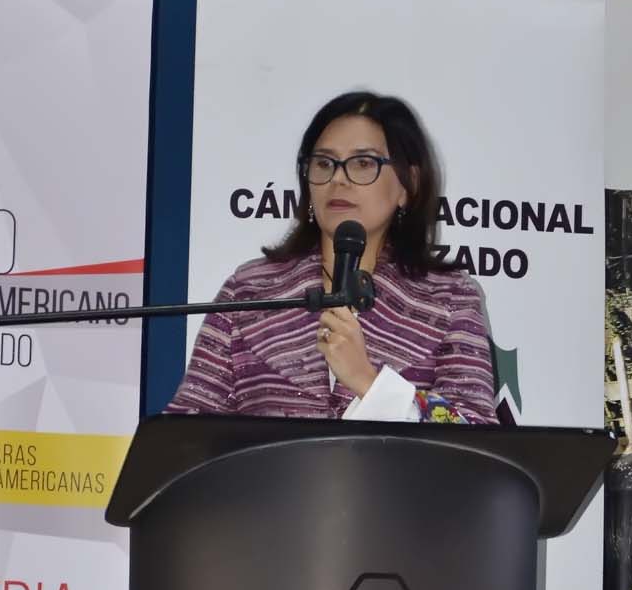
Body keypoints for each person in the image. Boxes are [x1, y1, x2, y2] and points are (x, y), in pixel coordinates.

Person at [166, 91, 498, 424]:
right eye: (324, 163)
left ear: (407, 184)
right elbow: (185, 430)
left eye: (363, 163)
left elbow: (474, 435)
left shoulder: (450, 299)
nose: (338, 179)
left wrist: (368, 382)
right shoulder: (249, 291)